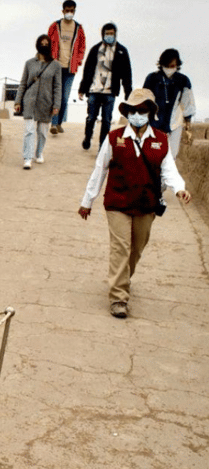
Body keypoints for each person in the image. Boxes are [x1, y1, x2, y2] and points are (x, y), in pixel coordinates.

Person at [78, 89, 192, 318]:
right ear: (127, 113)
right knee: (120, 247)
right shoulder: (114, 138)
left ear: (150, 112)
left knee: (136, 249)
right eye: (133, 110)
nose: (137, 114)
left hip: (146, 203)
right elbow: (99, 170)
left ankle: (122, 277)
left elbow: (168, 169)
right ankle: (119, 297)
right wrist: (87, 201)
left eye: (142, 110)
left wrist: (179, 189)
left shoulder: (161, 139)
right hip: (117, 202)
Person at [78, 22, 132, 151]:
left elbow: (127, 74)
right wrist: (82, 89)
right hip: (94, 90)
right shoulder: (95, 49)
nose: (109, 36)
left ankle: (102, 146)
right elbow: (87, 70)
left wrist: (128, 93)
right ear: (103, 34)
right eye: (107, 33)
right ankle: (87, 137)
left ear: (115, 34)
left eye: (112, 33)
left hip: (110, 91)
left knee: (107, 120)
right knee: (91, 118)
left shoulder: (121, 51)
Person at [14, 35, 61, 170]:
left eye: (47, 43)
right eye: (42, 43)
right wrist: (18, 101)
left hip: (46, 102)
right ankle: (27, 158)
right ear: (37, 45)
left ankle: (39, 152)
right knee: (29, 130)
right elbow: (23, 83)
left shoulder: (55, 65)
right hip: (29, 101)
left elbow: (58, 86)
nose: (44, 45)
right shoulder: (29, 63)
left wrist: (56, 105)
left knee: (42, 132)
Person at [143, 49, 196, 158]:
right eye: (167, 65)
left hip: (174, 124)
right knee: (153, 155)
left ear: (177, 65)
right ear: (161, 64)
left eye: (172, 66)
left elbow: (187, 103)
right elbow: (144, 99)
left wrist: (188, 123)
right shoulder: (152, 78)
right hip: (154, 122)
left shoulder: (183, 80)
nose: (169, 68)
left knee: (171, 156)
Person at [48, 0, 86, 134]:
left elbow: (82, 47)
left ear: (74, 11)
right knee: (56, 96)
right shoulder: (55, 26)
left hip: (70, 69)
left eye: (72, 10)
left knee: (64, 97)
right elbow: (47, 43)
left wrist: (78, 60)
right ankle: (53, 124)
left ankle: (59, 123)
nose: (70, 13)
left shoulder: (78, 28)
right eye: (67, 10)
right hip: (56, 66)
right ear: (63, 11)